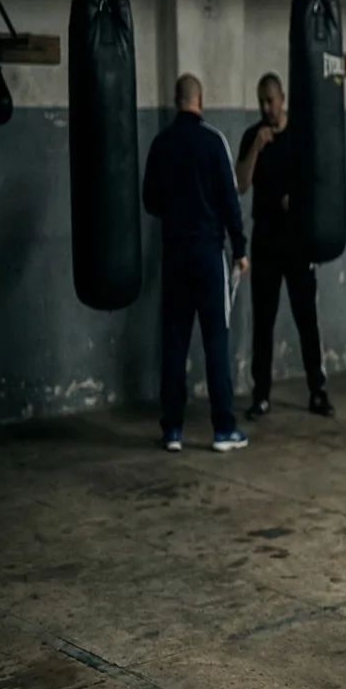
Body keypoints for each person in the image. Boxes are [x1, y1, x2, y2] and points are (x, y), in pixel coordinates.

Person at [142, 74, 250, 453]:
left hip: (174, 254)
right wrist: (240, 248)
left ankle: (172, 430)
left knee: (174, 341)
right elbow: (230, 200)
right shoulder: (213, 141)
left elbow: (150, 201)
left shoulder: (161, 143)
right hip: (208, 255)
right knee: (216, 340)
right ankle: (223, 430)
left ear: (176, 100)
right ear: (200, 100)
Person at [235, 73, 334, 421]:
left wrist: (301, 202)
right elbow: (241, 184)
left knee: (306, 318)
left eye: (270, 100)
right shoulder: (253, 135)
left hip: (297, 242)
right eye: (261, 101)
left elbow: (317, 180)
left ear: (282, 98)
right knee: (263, 320)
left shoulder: (300, 134)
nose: (266, 107)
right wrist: (256, 149)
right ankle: (260, 394)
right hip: (265, 241)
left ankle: (317, 390)